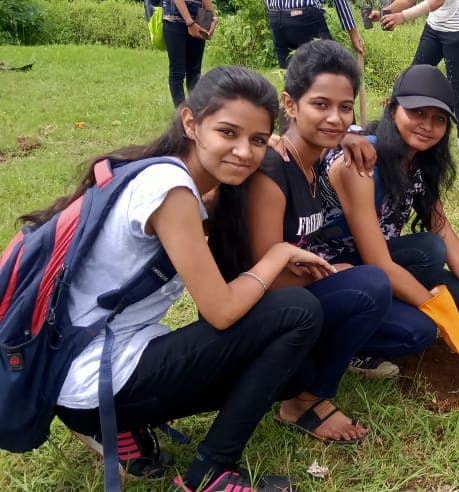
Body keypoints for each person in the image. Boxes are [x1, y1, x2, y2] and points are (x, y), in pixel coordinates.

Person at [32, 66, 334, 491]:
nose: (245, 152)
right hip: (95, 381)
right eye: (228, 132)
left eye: (258, 140)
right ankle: (209, 473)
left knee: (295, 369)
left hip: (77, 372)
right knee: (299, 311)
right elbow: (222, 310)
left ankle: (122, 427)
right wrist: (279, 254)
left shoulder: (162, 173)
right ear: (191, 122)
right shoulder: (172, 191)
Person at [208, 40, 391, 443]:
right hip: (248, 318)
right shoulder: (273, 168)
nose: (336, 118)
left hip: (289, 307)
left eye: (345, 107)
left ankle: (306, 384)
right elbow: (264, 277)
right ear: (289, 105)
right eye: (320, 105)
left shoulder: (311, 164)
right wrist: (331, 275)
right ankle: (303, 401)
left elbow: (339, 134)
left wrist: (350, 135)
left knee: (367, 284)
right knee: (370, 285)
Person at [312, 64, 459, 378]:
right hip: (331, 272)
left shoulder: (418, 168)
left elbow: (454, 249)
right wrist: (443, 317)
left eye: (438, 119)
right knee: (420, 332)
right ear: (391, 107)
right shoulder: (359, 160)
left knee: (450, 277)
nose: (427, 125)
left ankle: (384, 316)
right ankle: (342, 344)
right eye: (417, 113)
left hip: (368, 263)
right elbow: (379, 263)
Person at [372, 0, 459, 151]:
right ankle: (389, 124)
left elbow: (437, 2)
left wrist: (402, 17)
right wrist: (384, 12)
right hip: (434, 28)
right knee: (413, 77)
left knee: (456, 84)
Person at [265, 0, 366, 69]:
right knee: (328, 70)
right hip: (306, 18)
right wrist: (354, 34)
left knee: (291, 78)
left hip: (276, 17)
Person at [162, 0, 216, 107]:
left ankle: (196, 110)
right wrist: (189, 22)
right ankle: (182, 113)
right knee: (177, 72)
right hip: (175, 18)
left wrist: (212, 16)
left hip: (200, 18)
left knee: (195, 72)